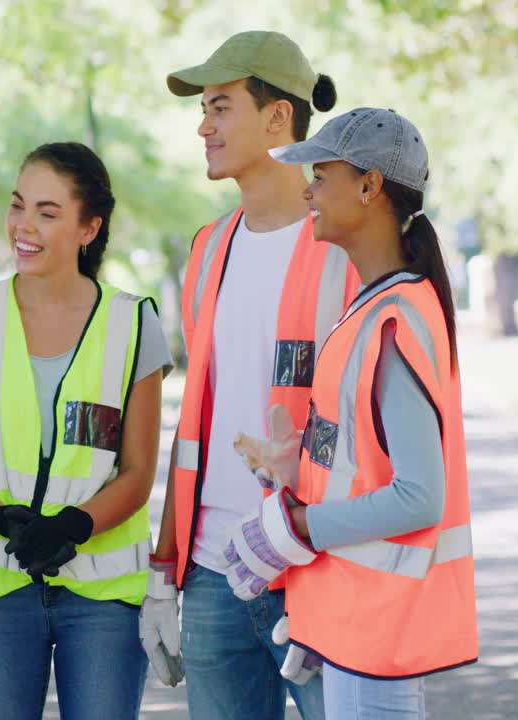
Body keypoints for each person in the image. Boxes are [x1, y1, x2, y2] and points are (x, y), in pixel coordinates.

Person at [223, 108, 479, 719]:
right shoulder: (375, 308)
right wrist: (296, 471)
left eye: (321, 175)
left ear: (369, 187)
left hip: (376, 639)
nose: (307, 190)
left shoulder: (394, 317)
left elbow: (419, 497)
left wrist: (300, 528)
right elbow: (365, 463)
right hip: (353, 630)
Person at [141, 30, 358, 720]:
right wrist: (163, 568)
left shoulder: (346, 248)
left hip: (315, 568)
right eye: (202, 110)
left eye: (219, 106)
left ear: (277, 118)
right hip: (213, 574)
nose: (203, 127)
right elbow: (195, 420)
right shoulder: (209, 250)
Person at [0, 142, 172, 720]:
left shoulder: (135, 325)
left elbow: (137, 472)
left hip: (104, 599)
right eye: (18, 206)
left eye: (48, 212)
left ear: (89, 228)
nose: (23, 226)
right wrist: (4, 518)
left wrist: (77, 525)